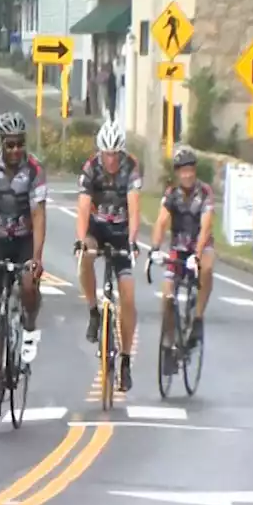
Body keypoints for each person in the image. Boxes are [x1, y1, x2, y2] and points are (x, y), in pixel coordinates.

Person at [0, 111, 47, 371]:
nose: (16, 149)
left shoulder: (35, 168)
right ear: (2, 143)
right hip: (0, 240)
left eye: (20, 143)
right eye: (10, 144)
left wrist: (37, 257)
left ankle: (29, 327)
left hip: (25, 239)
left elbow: (38, 213)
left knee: (28, 283)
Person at [75, 118, 142, 392]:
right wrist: (81, 241)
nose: (111, 160)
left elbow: (135, 209)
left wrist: (133, 240)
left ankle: (125, 361)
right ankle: (93, 310)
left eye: (115, 154)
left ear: (122, 152)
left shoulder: (131, 168)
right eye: (107, 154)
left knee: (127, 294)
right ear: (100, 151)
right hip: (97, 229)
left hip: (121, 231)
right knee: (86, 257)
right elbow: (82, 209)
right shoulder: (91, 169)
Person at [149, 146, 215, 367]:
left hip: (200, 245)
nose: (187, 175)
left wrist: (196, 256)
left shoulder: (205, 193)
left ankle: (196, 319)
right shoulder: (171, 194)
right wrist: (155, 248)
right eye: (182, 171)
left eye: (190, 170)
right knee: (167, 297)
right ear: (177, 173)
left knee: (207, 268)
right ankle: (168, 344)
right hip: (178, 247)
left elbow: (206, 227)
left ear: (195, 171)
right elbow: (160, 221)